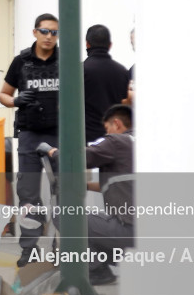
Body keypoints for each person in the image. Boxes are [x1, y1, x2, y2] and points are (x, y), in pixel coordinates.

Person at [40, 104, 134, 285]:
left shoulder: (116, 141)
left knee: (64, 214)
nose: (107, 133)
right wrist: (87, 185)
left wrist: (52, 151)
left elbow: (77, 158)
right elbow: (123, 183)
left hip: (129, 232)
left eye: (107, 128)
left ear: (116, 123)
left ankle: (97, 270)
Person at [0, 13, 60, 267]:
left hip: (59, 133)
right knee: (28, 193)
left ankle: (63, 246)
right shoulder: (21, 62)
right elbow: (3, 94)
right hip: (30, 134)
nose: (49, 37)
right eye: (44, 31)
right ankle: (29, 248)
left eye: (54, 33)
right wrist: (15, 101)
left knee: (65, 191)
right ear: (35, 32)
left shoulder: (66, 62)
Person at [83, 25, 130, 143]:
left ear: (87, 44)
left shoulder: (79, 71)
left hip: (86, 138)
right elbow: (125, 102)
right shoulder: (122, 71)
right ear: (110, 45)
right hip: (114, 137)